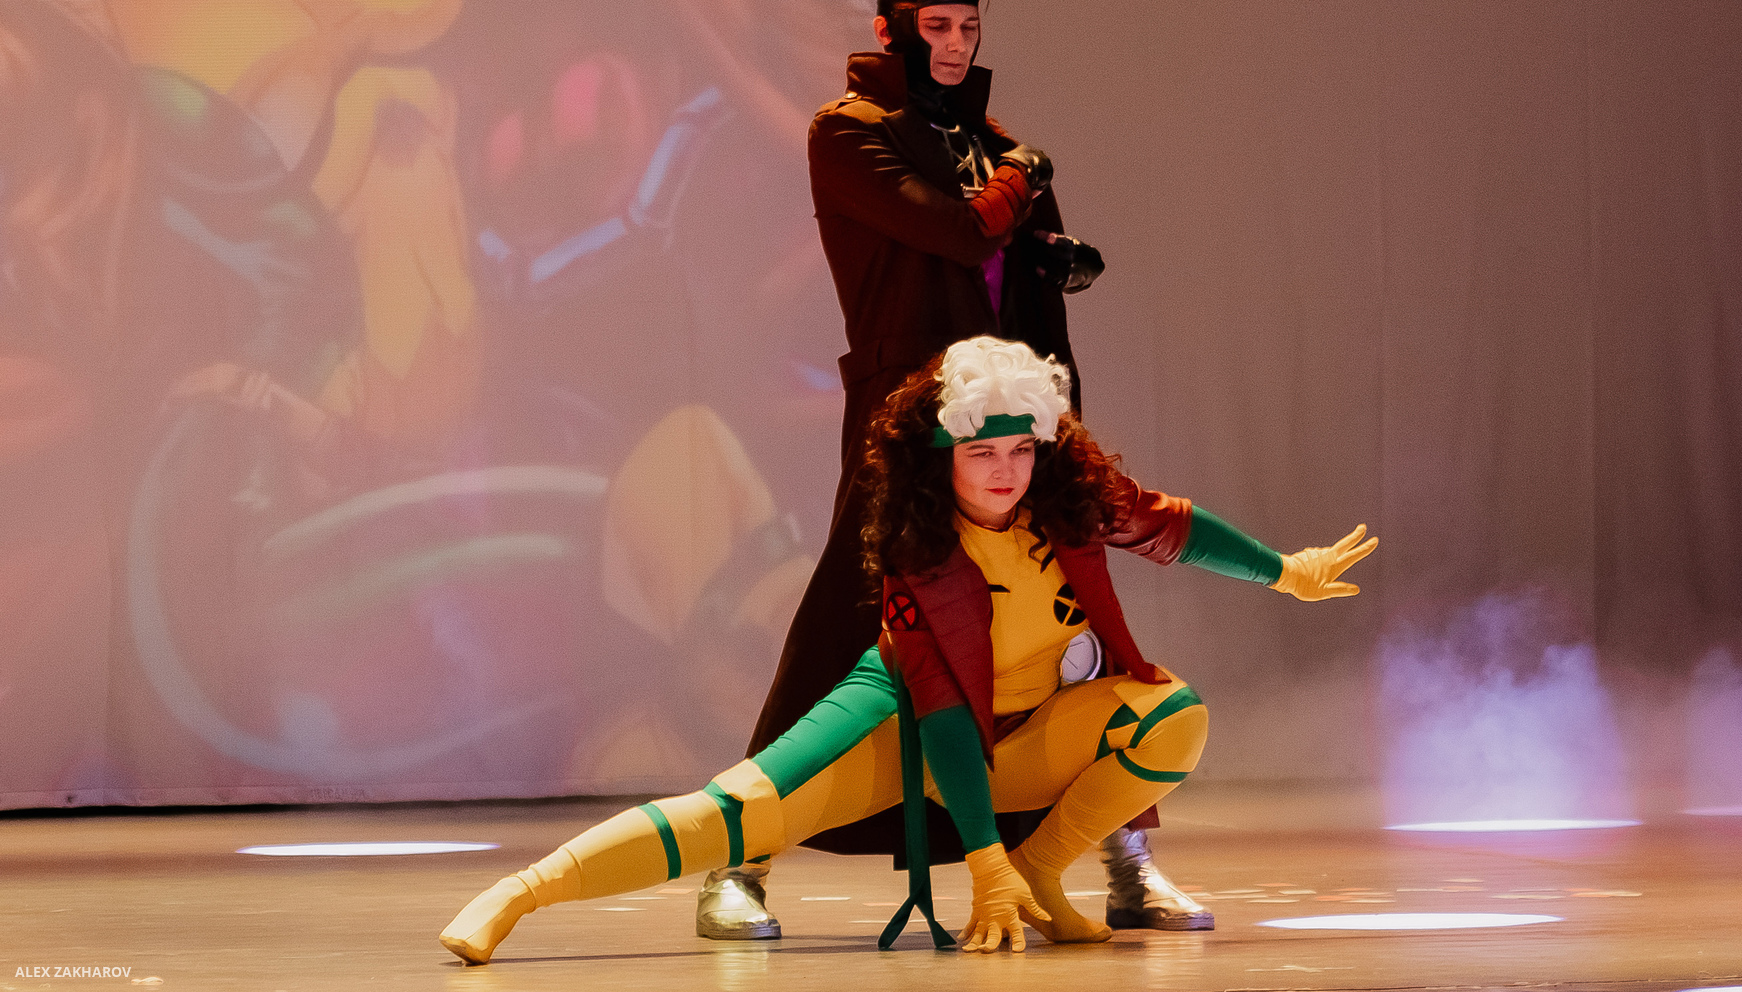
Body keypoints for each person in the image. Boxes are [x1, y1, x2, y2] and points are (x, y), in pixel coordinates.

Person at [439, 335, 1377, 962]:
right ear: (942, 458)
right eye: (982, 454)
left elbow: (1169, 524)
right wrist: (982, 859)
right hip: (906, 728)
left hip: (1025, 733)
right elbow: (943, 712)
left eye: (1021, 450)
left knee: (1171, 714)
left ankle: (1047, 866)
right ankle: (522, 894)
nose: (1006, 472)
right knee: (736, 810)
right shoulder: (923, 555)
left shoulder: (1066, 498)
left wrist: (1284, 571)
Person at [695, 0, 1178, 940]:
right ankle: (737, 863)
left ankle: (1128, 858)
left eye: (968, 25)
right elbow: (956, 232)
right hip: (912, 423)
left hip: (1018, 419)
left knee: (1080, 623)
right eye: (938, 26)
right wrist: (1022, 179)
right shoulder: (848, 131)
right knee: (843, 631)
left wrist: (1050, 258)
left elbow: (1002, 253)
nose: (956, 44)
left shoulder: (992, 142)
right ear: (894, 29)